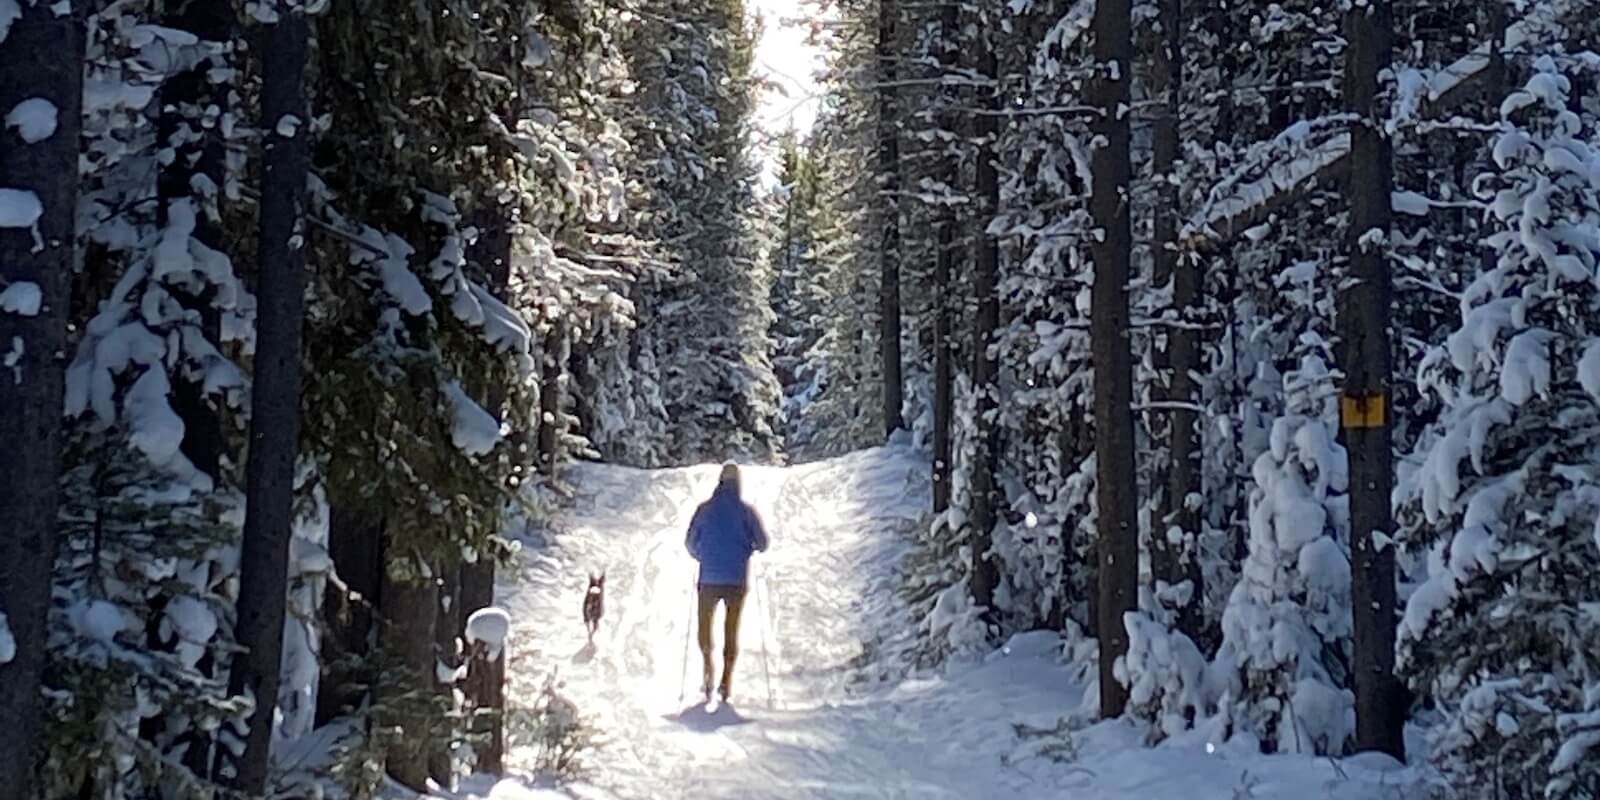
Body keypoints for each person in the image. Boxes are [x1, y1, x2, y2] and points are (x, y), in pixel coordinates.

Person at [685, 463, 769, 701]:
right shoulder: (746, 512)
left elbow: (690, 542)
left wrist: (702, 554)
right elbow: (763, 543)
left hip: (708, 578)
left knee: (705, 626)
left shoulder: (705, 509)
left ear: (719, 482)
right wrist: (747, 548)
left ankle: (707, 668)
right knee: (730, 630)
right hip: (736, 580)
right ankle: (726, 680)